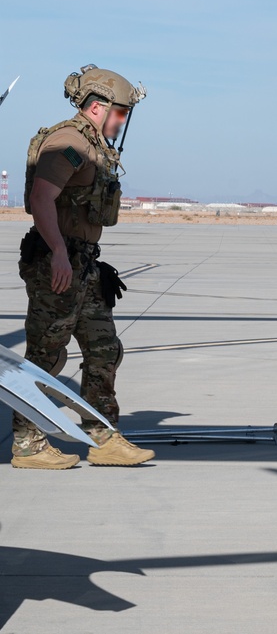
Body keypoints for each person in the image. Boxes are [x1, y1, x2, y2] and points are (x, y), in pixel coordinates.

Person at [12, 65, 154, 469]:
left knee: (105, 349)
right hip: (55, 264)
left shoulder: (93, 145)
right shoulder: (67, 142)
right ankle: (27, 444)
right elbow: (41, 199)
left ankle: (104, 437)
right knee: (45, 357)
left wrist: (84, 259)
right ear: (97, 107)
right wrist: (58, 252)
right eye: (121, 112)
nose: (123, 120)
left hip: (83, 264)